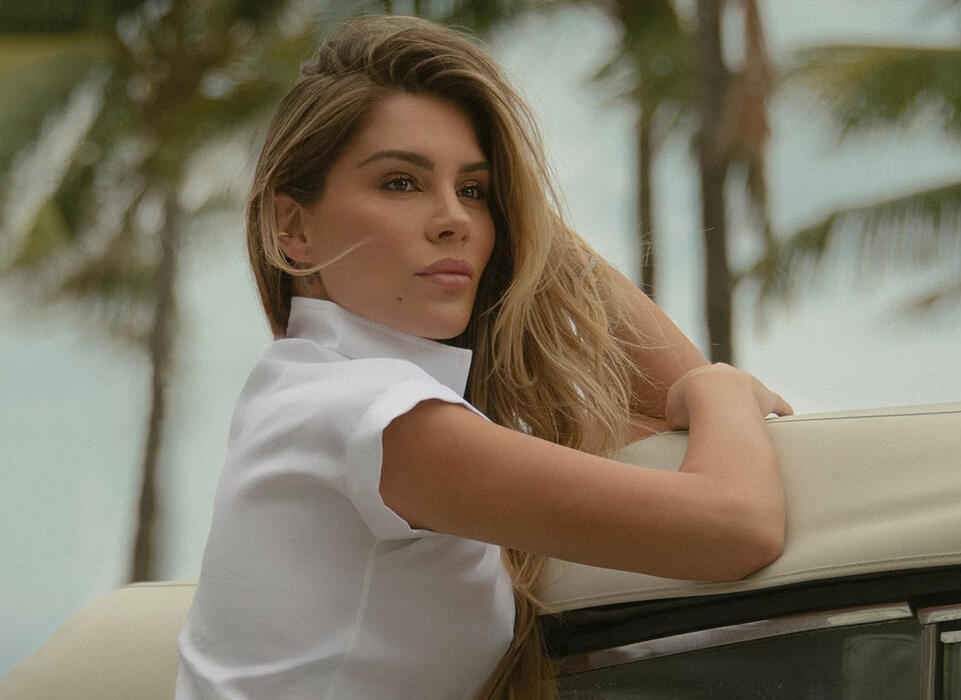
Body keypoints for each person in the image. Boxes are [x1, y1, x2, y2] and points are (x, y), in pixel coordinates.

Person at [174, 14, 792, 700]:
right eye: (401, 183)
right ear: (292, 227)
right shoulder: (368, 415)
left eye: (474, 191)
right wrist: (725, 388)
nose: (455, 221)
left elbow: (663, 421)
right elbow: (735, 525)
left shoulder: (318, 397)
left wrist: (530, 223)